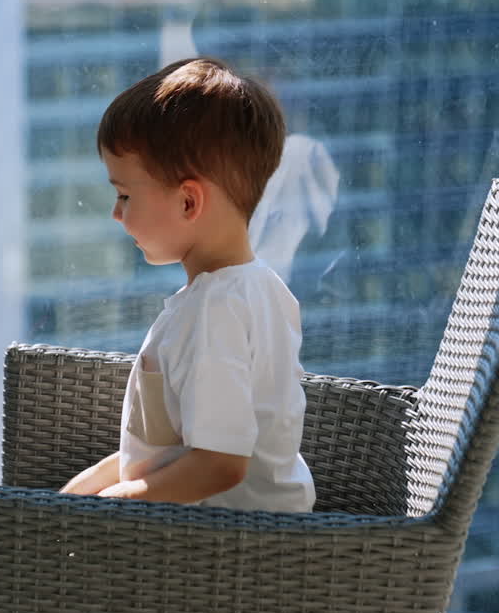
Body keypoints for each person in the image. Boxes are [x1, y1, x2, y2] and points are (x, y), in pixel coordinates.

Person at [59, 57, 315, 512]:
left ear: (187, 202)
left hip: (219, 544)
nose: (116, 214)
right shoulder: (261, 288)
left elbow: (219, 465)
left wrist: (107, 507)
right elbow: (171, 449)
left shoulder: (213, 313)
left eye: (124, 195)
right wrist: (74, 498)